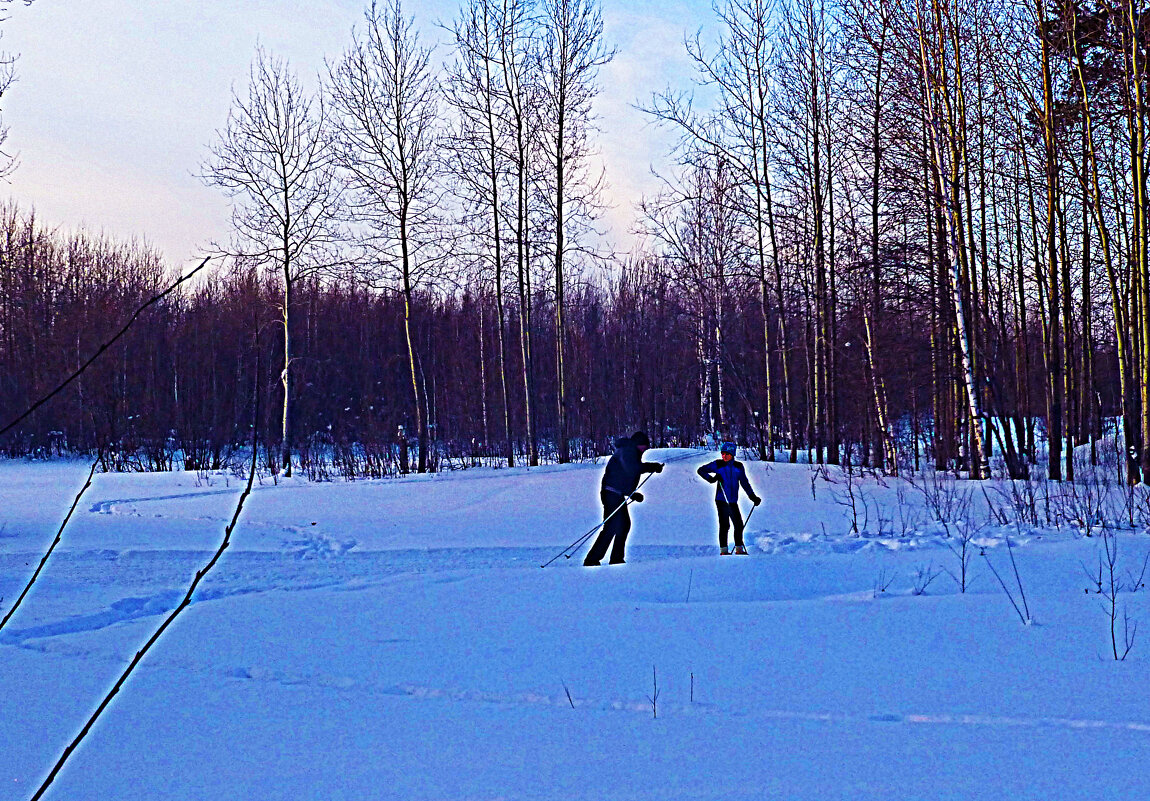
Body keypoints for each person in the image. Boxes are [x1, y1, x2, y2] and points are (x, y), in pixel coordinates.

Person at [584, 431, 664, 566]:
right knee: (612, 526)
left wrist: (632, 493)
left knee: (622, 525)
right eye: (644, 445)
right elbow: (632, 469)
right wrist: (652, 466)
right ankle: (593, 559)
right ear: (638, 444)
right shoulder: (628, 451)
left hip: (616, 493)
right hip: (611, 493)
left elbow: (622, 476)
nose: (645, 449)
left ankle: (615, 558)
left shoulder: (628, 451)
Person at [697, 441, 760, 555]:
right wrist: (711, 479)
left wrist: (752, 497)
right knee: (725, 525)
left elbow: (744, 483)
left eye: (726, 454)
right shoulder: (718, 464)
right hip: (721, 500)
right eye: (722, 454)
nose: (724, 456)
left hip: (732, 501)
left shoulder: (738, 467)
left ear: (732, 454)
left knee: (739, 524)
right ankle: (724, 551)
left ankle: (739, 549)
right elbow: (701, 470)